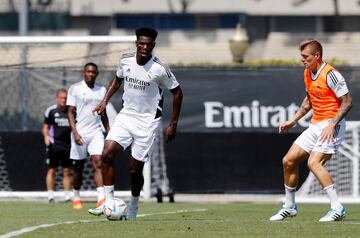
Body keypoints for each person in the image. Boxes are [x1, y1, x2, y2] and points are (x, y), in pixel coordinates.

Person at [88, 27, 183, 220]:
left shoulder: (159, 68)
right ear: (136, 44)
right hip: (126, 117)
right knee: (106, 154)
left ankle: (134, 204)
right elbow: (117, 80)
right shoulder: (125, 60)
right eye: (141, 43)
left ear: (153, 46)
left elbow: (178, 93)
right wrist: (105, 100)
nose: (145, 47)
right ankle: (108, 202)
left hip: (146, 123)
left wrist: (173, 123)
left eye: (149, 44)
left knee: (134, 169)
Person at [269, 39, 352, 222]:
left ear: (317, 56)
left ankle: (337, 208)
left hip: (332, 124)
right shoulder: (307, 73)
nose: (302, 60)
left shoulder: (331, 74)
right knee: (289, 161)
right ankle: (290, 207)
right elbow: (309, 100)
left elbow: (347, 102)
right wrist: (293, 120)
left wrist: (332, 124)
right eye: (301, 56)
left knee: (314, 163)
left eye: (305, 56)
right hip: (316, 125)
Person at [67, 62, 110, 209]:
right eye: (88, 72)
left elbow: (103, 112)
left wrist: (108, 130)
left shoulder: (102, 90)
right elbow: (70, 112)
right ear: (83, 72)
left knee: (98, 162)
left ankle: (101, 197)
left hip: (96, 131)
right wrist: (75, 133)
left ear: (96, 74)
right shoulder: (75, 88)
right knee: (79, 167)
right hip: (80, 133)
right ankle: (76, 196)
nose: (91, 74)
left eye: (93, 72)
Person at [42, 88, 72, 203]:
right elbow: (45, 127)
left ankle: (67, 196)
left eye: (65, 98)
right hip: (54, 145)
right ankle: (50, 196)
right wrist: (46, 137)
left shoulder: (71, 111)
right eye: (61, 98)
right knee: (51, 170)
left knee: (67, 171)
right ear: (57, 98)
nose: (63, 100)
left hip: (68, 145)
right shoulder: (51, 111)